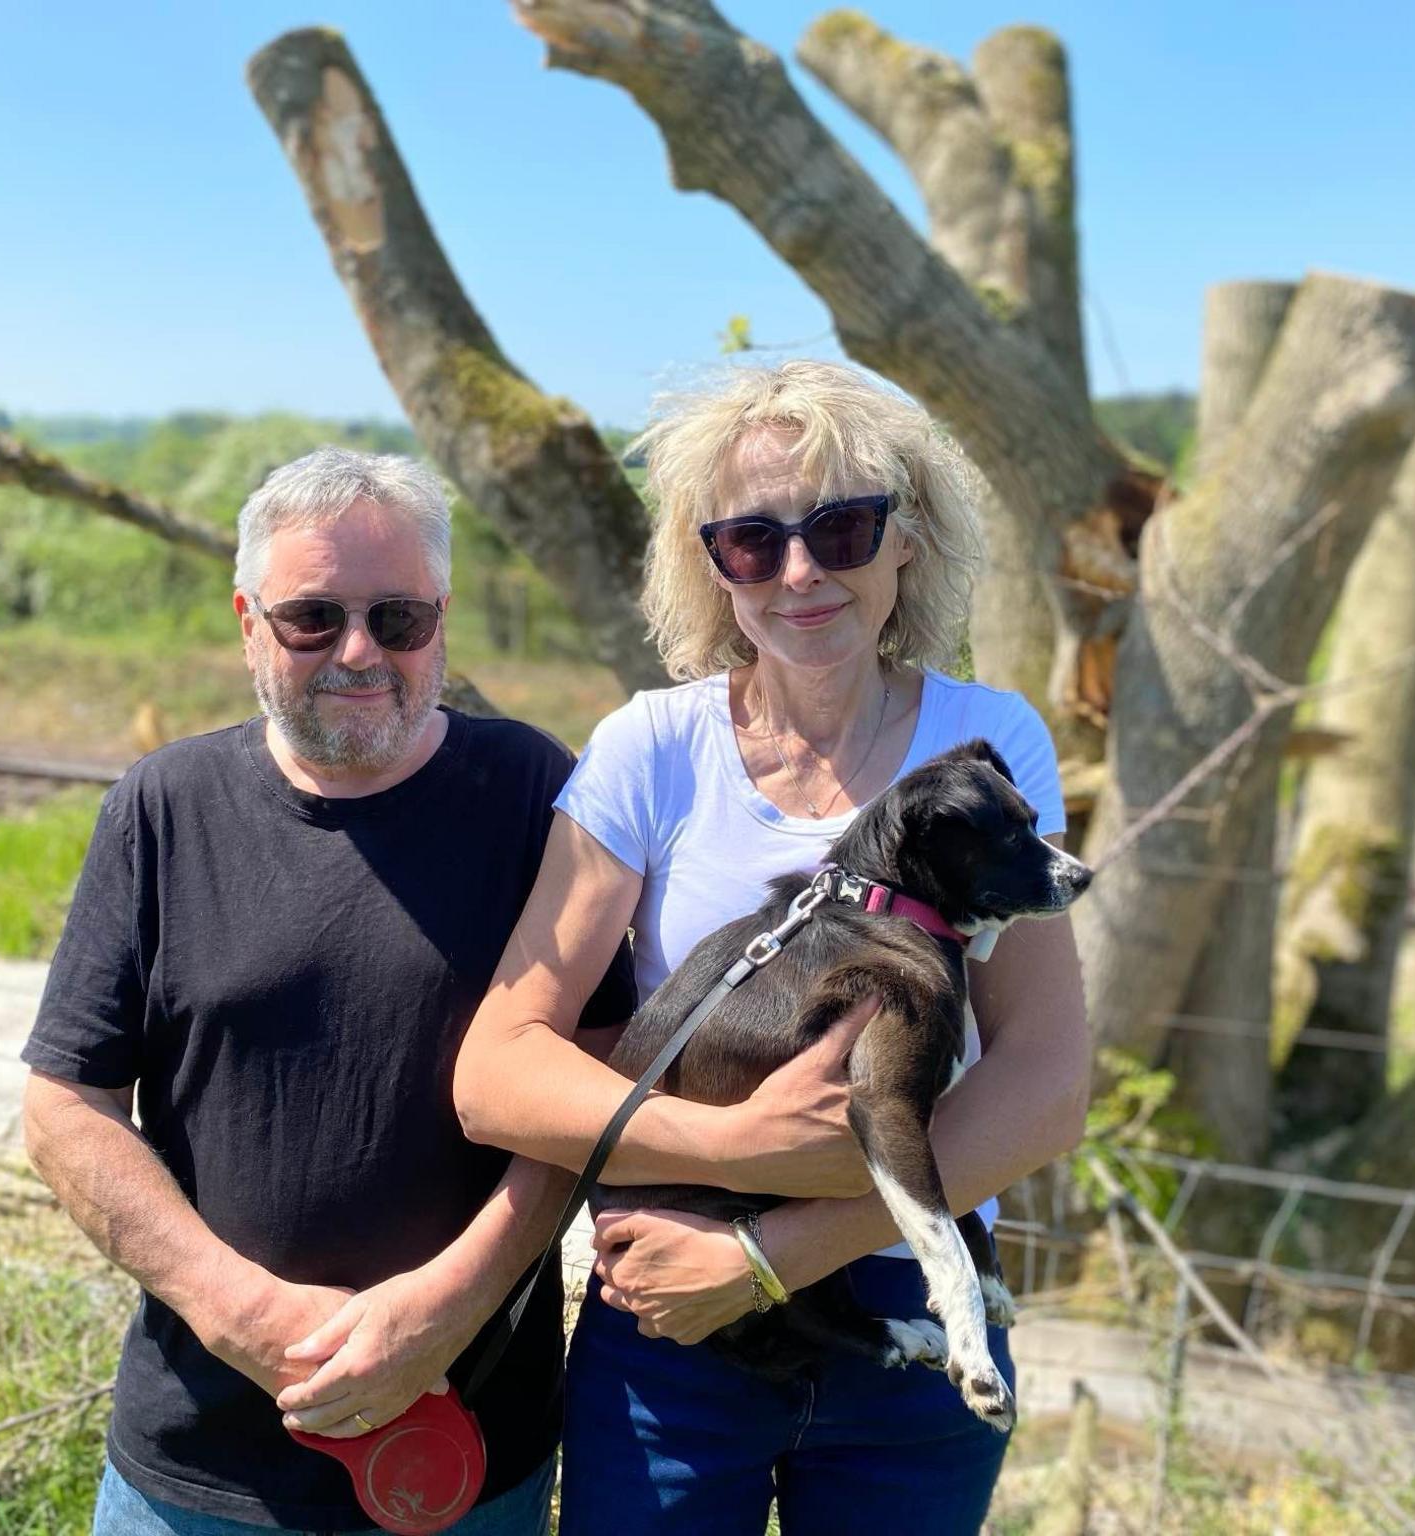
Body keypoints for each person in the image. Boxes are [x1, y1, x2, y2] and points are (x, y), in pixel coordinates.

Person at [453, 361, 1091, 1535]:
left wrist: (774, 1254)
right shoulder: (652, 747)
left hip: (909, 1337)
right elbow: (496, 1067)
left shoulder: (985, 741)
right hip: (674, 1332)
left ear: (909, 542)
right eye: (752, 540)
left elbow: (1044, 1088)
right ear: (712, 567)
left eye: (842, 528)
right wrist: (730, 1146)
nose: (800, 571)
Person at [19, 448, 635, 1535]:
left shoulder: (535, 795)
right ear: (247, 619)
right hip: (194, 1468)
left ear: (442, 618)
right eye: (313, 618)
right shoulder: (163, 806)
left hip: (462, 1458)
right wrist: (234, 1310)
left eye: (396, 620)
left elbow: (598, 1072)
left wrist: (448, 1306)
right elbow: (65, 1104)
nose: (358, 653)